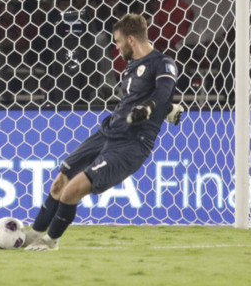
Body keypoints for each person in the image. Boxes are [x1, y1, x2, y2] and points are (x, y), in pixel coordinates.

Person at [23, 13, 184, 251]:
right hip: (107, 132)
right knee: (59, 182)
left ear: (131, 40)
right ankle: (34, 235)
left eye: (118, 41)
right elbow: (138, 99)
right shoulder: (131, 67)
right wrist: (168, 109)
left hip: (131, 144)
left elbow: (163, 92)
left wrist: (153, 107)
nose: (116, 47)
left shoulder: (163, 63)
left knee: (72, 192)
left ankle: (51, 241)